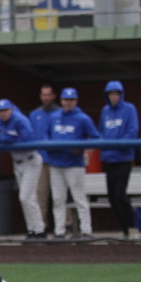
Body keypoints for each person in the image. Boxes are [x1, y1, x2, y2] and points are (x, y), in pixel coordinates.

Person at [47, 87, 101, 240]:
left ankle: (86, 231)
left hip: (74, 164)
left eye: (71, 100)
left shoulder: (83, 118)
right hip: (56, 164)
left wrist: (83, 147)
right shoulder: (54, 117)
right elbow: (45, 135)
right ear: (61, 100)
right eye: (66, 100)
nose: (68, 102)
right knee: (58, 199)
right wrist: (49, 148)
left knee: (79, 198)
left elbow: (96, 138)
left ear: (76, 101)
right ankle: (59, 232)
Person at [0, 99, 46, 240]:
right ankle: (33, 230)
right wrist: (9, 138)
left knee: (25, 197)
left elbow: (27, 138)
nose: (3, 114)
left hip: (31, 160)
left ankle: (39, 230)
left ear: (11, 110)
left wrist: (5, 138)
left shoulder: (20, 119)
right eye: (0, 111)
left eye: (5, 110)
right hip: (17, 163)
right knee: (27, 198)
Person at [99, 80, 139, 240]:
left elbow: (132, 131)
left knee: (120, 195)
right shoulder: (105, 110)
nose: (113, 97)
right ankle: (125, 230)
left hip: (124, 159)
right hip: (109, 160)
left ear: (121, 95)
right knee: (112, 198)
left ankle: (133, 227)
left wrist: (116, 146)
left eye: (116, 94)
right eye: (111, 94)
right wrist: (105, 147)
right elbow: (101, 131)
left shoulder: (129, 109)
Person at [30, 84, 60, 230]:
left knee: (59, 195)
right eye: (44, 95)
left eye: (48, 95)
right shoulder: (34, 114)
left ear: (53, 96)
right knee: (40, 195)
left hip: (58, 160)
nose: (46, 98)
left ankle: (65, 226)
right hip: (40, 160)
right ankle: (42, 227)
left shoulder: (61, 113)